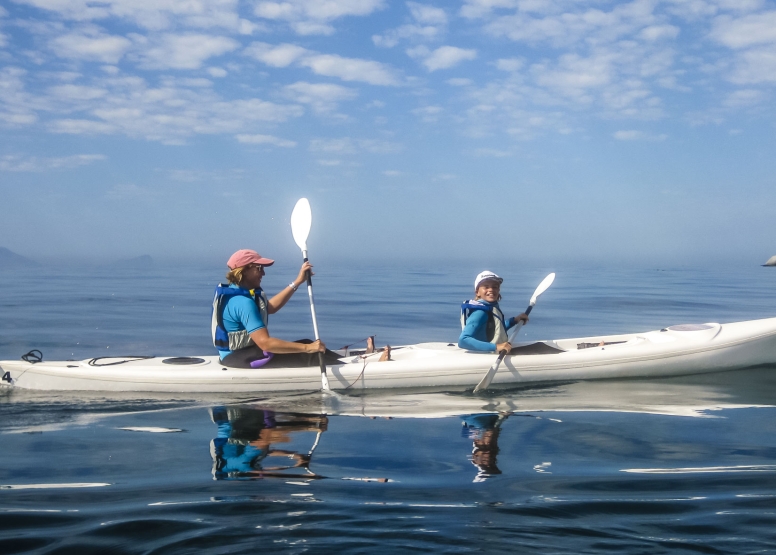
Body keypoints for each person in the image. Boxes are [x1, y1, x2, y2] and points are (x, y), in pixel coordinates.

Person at [211, 248, 328, 368]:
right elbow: (265, 343)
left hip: (231, 356)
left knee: (306, 344)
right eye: (259, 268)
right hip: (241, 359)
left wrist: (297, 282)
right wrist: (308, 348)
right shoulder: (243, 302)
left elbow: (270, 308)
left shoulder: (235, 295)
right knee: (310, 350)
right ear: (244, 271)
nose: (263, 273)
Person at [459, 271, 529, 353]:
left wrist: (514, 320)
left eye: (495, 287)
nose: (491, 290)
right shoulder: (480, 313)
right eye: (486, 287)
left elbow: (495, 330)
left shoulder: (491, 307)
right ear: (477, 292)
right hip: (482, 357)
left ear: (499, 290)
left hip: (489, 352)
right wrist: (496, 346)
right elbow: (463, 340)